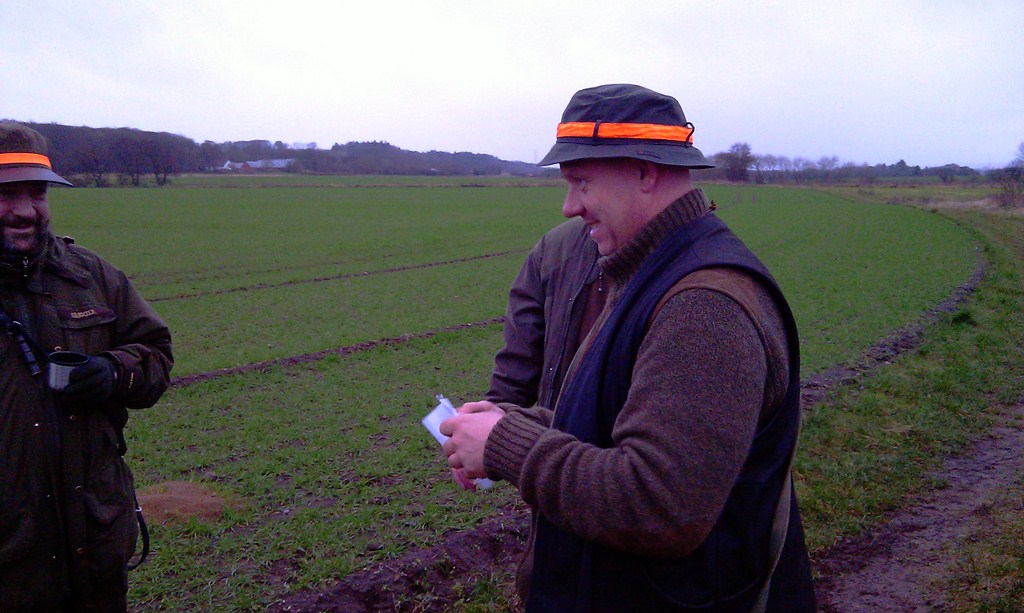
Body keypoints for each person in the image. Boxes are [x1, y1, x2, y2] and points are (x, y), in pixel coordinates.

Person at [441, 85, 816, 611]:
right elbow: (617, 421)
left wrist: (507, 444)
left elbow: (659, 505)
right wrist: (514, 422)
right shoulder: (650, 274)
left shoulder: (703, 306)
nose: (569, 206)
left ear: (644, 171)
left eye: (582, 182)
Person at [0, 123, 174, 611]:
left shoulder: (90, 276)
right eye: (5, 194)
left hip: (94, 543)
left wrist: (114, 372)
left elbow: (156, 353)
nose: (25, 211)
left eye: (37, 193)